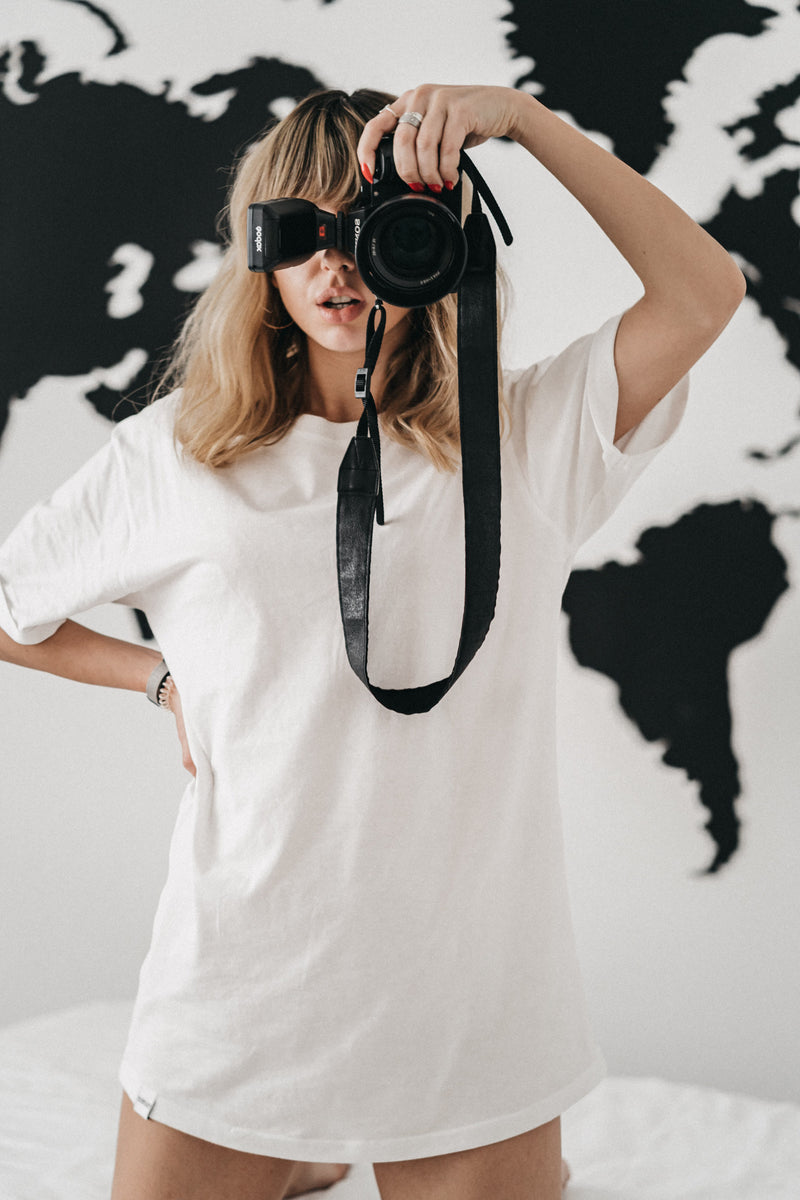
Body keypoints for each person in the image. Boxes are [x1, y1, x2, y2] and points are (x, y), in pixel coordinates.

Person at [0, 84, 744, 1200]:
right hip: (233, 1006)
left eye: (370, 224)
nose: (336, 265)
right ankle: (310, 1151)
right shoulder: (176, 456)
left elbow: (702, 292)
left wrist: (526, 125)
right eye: (302, 230)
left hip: (472, 1014)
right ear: (258, 250)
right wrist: (158, 678)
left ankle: (324, 1150)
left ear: (439, 242)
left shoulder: (523, 443)